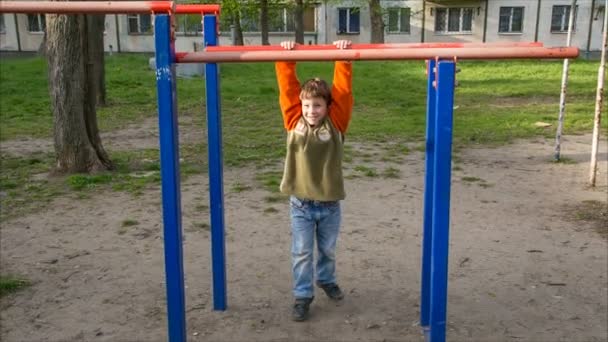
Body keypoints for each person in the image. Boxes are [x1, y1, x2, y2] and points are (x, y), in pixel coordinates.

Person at [275, 40, 354, 321]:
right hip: (301, 204)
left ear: (328, 106)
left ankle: (326, 279)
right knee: (301, 253)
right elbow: (287, 89)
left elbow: (343, 92)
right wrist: (287, 56)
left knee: (328, 251)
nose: (311, 111)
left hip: (330, 204)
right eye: (307, 105)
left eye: (317, 106)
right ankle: (302, 295)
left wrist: (342, 57)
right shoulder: (293, 119)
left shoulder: (337, 123)